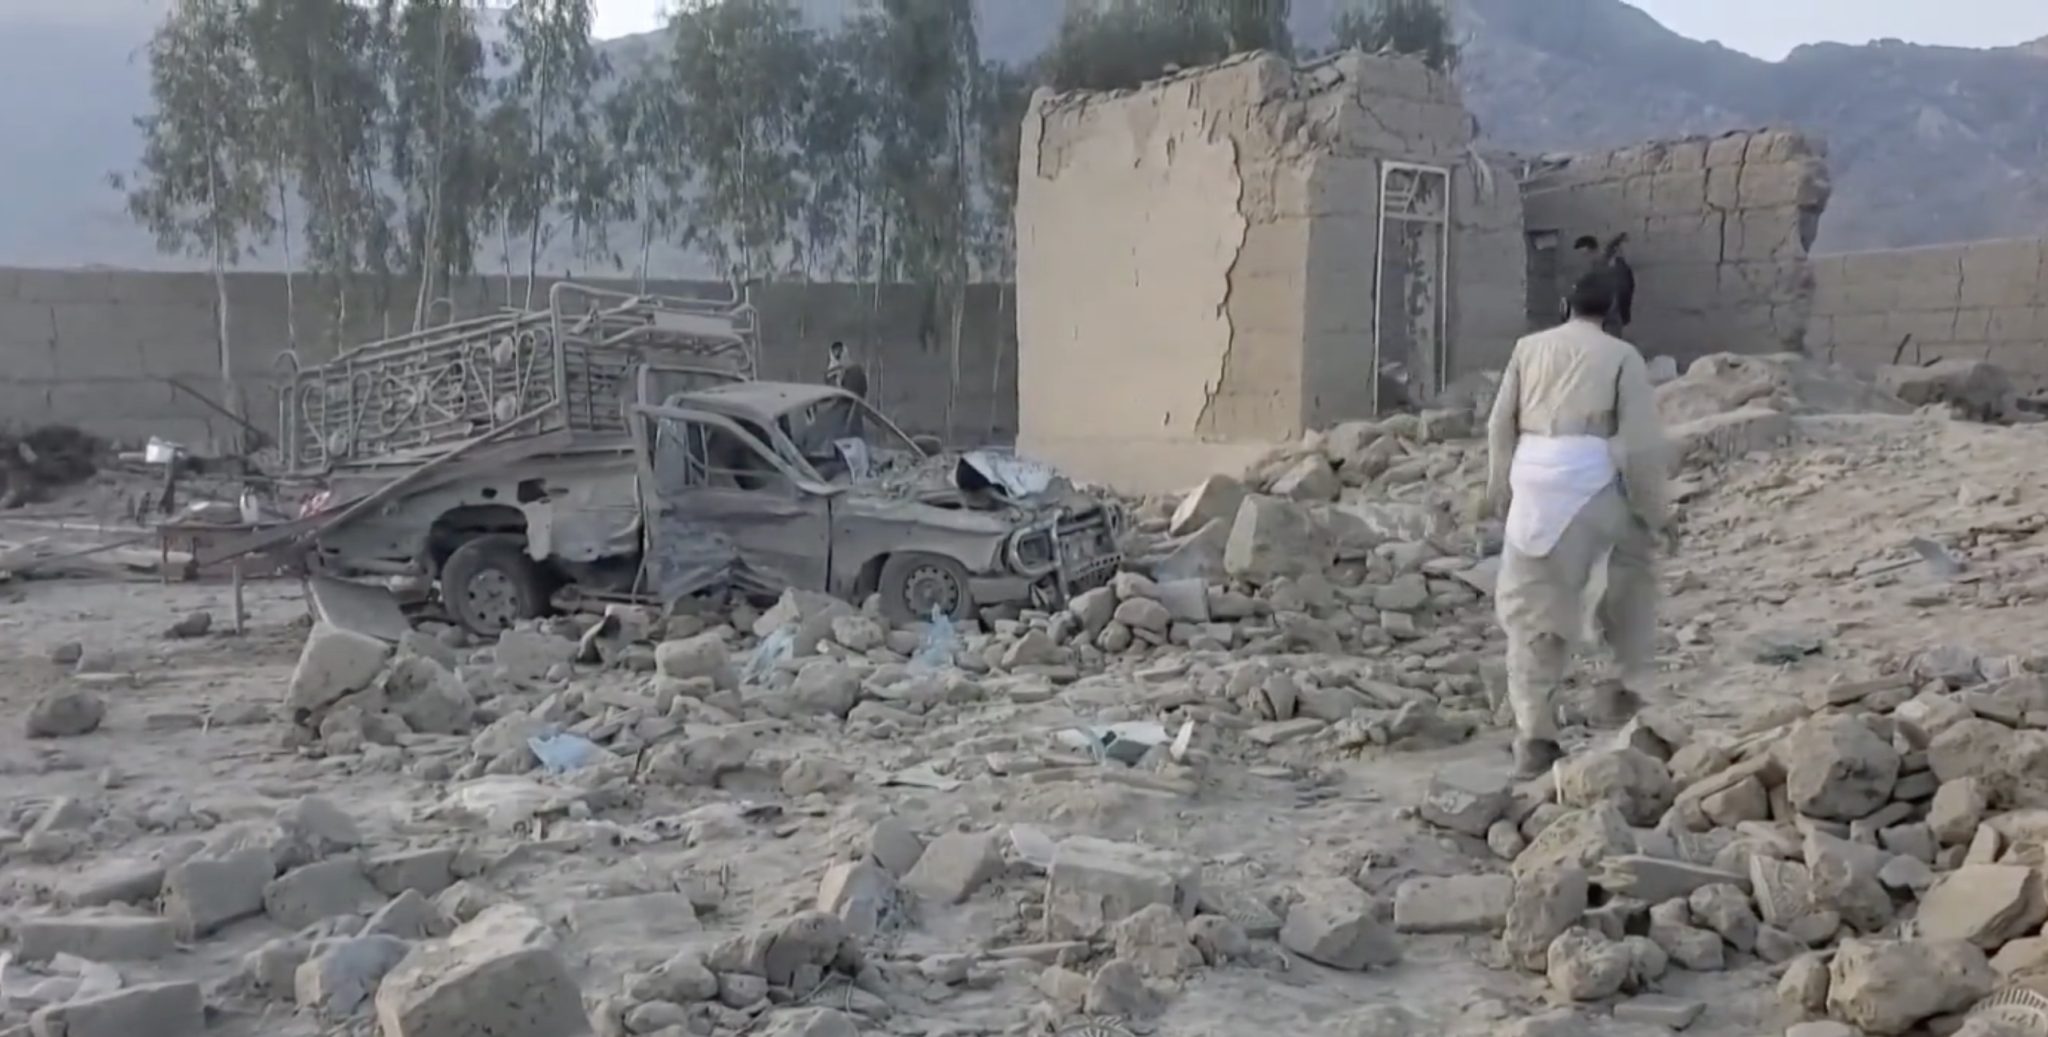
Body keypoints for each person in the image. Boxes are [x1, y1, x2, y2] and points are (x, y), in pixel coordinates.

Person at [1488, 270, 1669, 778]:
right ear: (1611, 311)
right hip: (1591, 479)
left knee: (1530, 606)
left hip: (1534, 476)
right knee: (1627, 579)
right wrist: (1655, 512)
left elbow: (1499, 423)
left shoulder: (1528, 348)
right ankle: (1621, 690)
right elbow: (1638, 444)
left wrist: (1498, 486)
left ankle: (1534, 736)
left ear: (1566, 304)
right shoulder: (1621, 356)